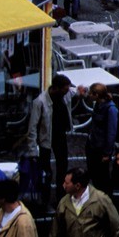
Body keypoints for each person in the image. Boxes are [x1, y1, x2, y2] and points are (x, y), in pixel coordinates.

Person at [23, 72, 73, 204]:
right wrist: (33, 150)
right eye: (64, 90)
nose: (66, 92)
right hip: (45, 139)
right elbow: (32, 128)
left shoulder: (64, 94)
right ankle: (45, 200)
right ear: (56, 88)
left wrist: (80, 91)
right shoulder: (40, 102)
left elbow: (72, 93)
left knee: (63, 168)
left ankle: (61, 198)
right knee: (46, 172)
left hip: (60, 136)